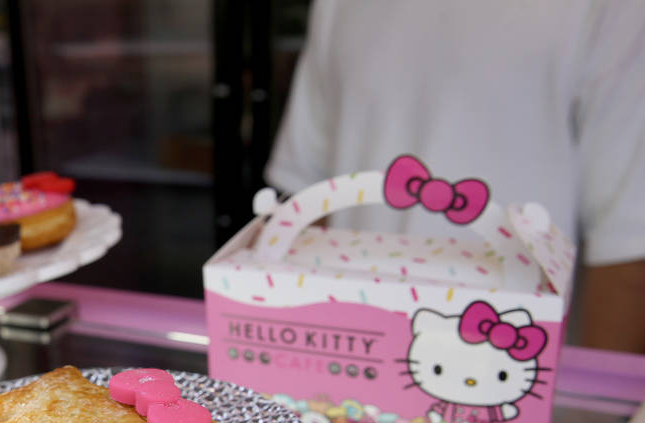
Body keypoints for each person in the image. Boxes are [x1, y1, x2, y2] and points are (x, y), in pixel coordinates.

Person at [265, 0, 645, 353]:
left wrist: (591, 418)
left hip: (524, 392)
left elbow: (629, 241)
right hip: (349, 383)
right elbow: (308, 195)